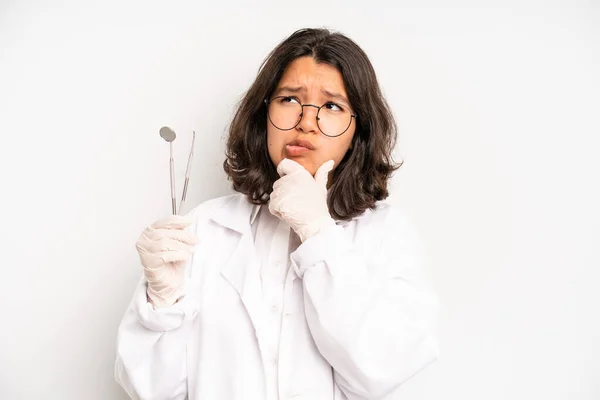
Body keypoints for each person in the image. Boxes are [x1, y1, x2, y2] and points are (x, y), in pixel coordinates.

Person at [115, 28, 439, 400]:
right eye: (289, 99)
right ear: (264, 114)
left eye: (332, 106)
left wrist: (318, 234)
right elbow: (151, 390)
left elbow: (382, 370)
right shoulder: (206, 228)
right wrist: (162, 302)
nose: (305, 121)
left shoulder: (386, 234)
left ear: (359, 132)